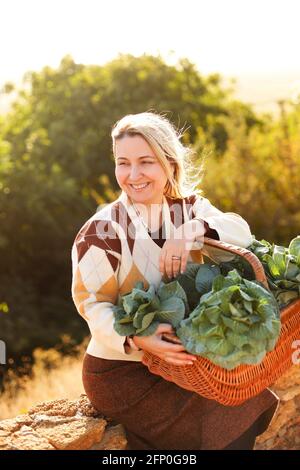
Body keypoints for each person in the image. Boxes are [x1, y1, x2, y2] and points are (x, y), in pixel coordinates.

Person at [71, 111, 279, 450]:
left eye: (146, 162)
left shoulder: (188, 209)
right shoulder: (102, 231)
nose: (133, 175)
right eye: (123, 163)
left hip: (181, 365)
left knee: (245, 405)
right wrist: (139, 339)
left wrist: (192, 230)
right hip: (124, 372)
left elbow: (241, 231)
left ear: (169, 162)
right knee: (225, 427)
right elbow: (92, 306)